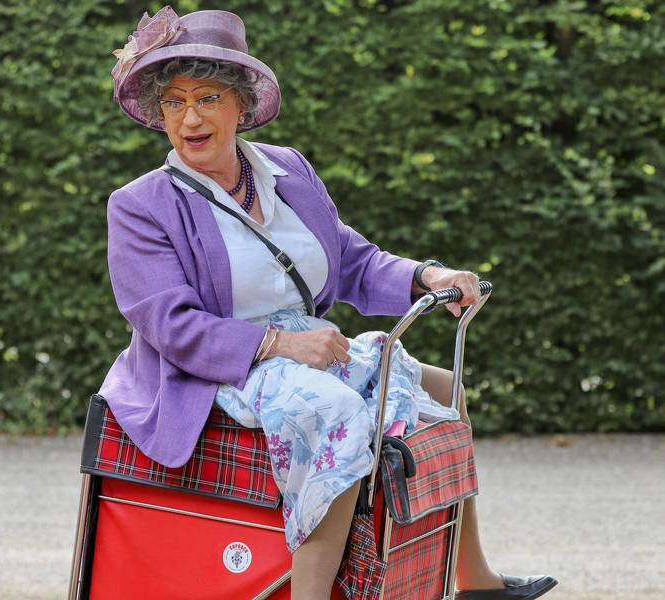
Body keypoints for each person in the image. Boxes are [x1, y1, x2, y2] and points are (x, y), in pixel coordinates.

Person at [100, 7, 557, 600]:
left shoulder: (287, 170)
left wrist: (428, 274)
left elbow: (351, 259)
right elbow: (170, 326)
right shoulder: (140, 205)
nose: (190, 118)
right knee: (334, 409)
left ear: (241, 102)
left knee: (444, 387)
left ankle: (473, 577)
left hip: (300, 346)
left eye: (208, 97)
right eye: (173, 102)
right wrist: (280, 344)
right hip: (211, 367)